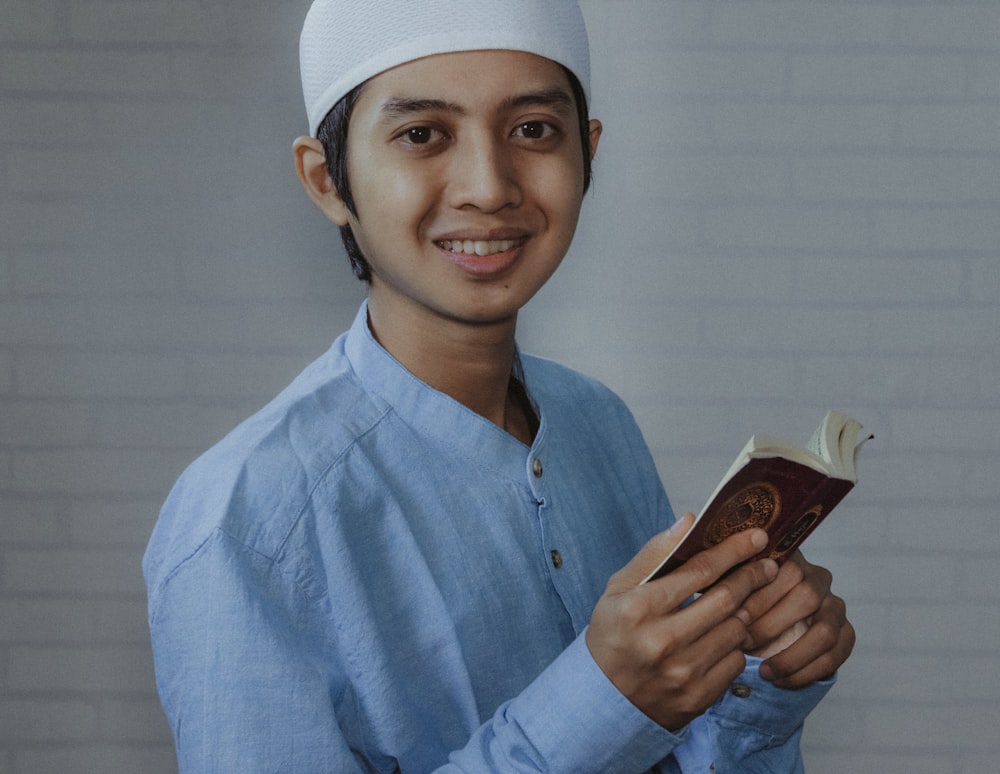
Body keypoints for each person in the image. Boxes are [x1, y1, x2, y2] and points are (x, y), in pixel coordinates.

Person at [143, 1, 855, 771]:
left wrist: (762, 679)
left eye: (533, 130)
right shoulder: (248, 524)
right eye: (423, 135)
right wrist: (605, 703)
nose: (488, 187)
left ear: (588, 154)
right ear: (327, 179)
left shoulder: (597, 423)